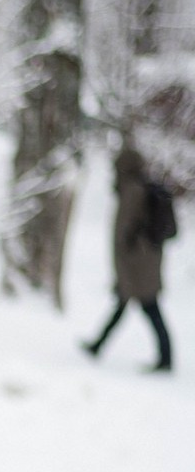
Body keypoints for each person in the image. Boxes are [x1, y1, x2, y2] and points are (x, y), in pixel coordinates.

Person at [81, 144, 174, 372]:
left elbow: (124, 232)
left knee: (149, 308)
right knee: (129, 306)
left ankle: (166, 359)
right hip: (144, 261)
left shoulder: (132, 190)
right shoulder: (139, 187)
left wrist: (123, 265)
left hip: (137, 264)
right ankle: (98, 345)